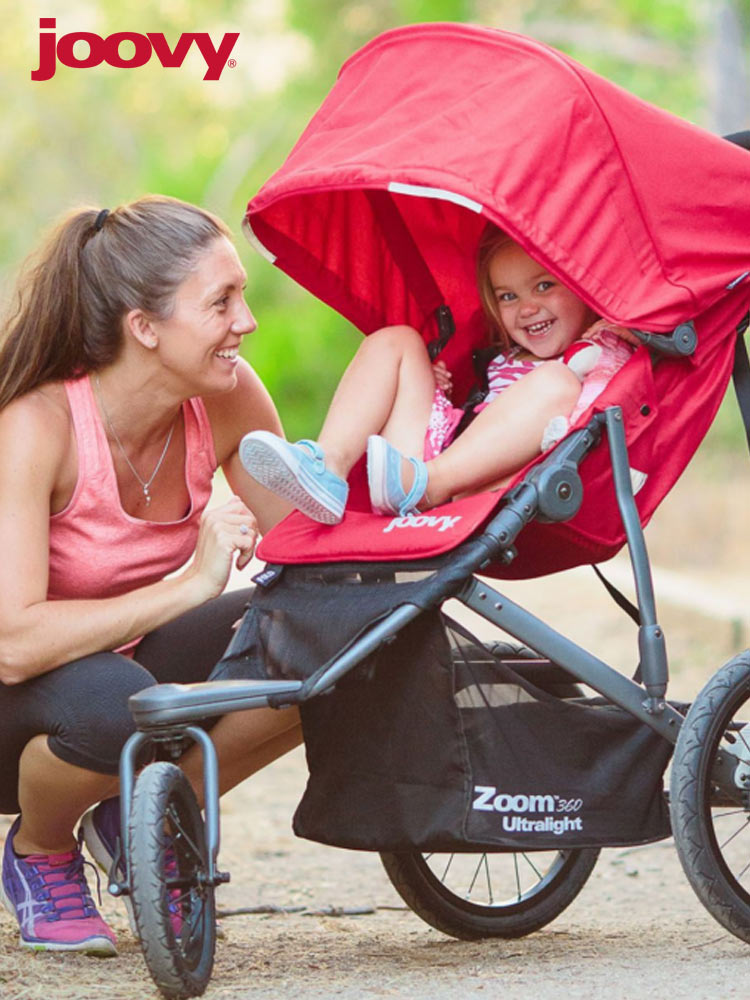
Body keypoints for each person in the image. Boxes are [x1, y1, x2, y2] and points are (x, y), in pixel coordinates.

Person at [0, 196, 301, 956]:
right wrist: (191, 585)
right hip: (18, 707)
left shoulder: (228, 397)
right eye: (222, 302)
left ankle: (142, 821)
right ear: (145, 327)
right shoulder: (37, 424)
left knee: (323, 637)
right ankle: (40, 850)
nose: (248, 322)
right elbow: (11, 642)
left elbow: (307, 542)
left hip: (119, 678)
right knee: (117, 706)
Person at [239, 225, 636, 522]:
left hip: (489, 485)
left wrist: (561, 437)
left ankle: (426, 485)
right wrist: (434, 388)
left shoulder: (600, 352)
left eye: (544, 286)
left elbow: (602, 407)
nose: (527, 308)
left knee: (557, 382)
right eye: (508, 297)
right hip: (419, 463)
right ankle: (328, 467)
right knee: (397, 340)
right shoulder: (505, 357)